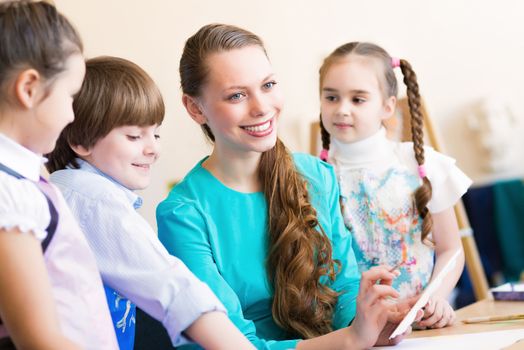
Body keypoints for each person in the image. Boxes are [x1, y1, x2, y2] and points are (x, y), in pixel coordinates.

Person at [157, 24, 417, 350]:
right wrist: (350, 339)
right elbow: (238, 345)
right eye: (237, 95)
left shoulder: (317, 176)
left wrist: (368, 323)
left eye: (267, 85)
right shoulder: (183, 215)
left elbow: (344, 285)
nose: (261, 107)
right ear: (195, 108)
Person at [46, 55, 254, 350]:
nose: (153, 149)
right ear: (81, 142)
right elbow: (175, 289)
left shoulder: (63, 189)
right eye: (134, 136)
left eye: (155, 133)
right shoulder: (95, 199)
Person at [318, 42, 471, 329]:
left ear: (387, 105)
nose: (342, 109)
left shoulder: (419, 164)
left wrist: (434, 298)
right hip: (354, 331)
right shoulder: (315, 176)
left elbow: (451, 249)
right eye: (331, 97)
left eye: (358, 99)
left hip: (423, 323)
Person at [0, 1, 117, 349]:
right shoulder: (10, 195)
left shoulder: (24, 177)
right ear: (29, 88)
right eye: (70, 96)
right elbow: (40, 339)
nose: (71, 114)